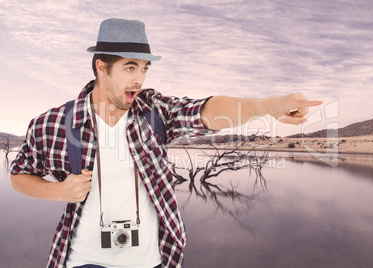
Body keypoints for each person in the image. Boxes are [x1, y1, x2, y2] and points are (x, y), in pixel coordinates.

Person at [9, 18, 322, 268]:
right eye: (130, 67)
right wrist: (57, 191)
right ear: (101, 68)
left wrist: (266, 106)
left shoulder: (154, 112)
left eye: (144, 68)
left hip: (153, 260)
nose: (139, 79)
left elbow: (205, 110)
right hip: (85, 261)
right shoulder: (53, 123)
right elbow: (19, 175)